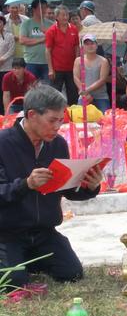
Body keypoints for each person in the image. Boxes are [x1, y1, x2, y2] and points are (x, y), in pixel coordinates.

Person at [0, 84, 103, 289]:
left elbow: (66, 189)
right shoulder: (3, 143)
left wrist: (90, 187)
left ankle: (26, 260)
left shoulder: (58, 145)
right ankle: (17, 261)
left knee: (72, 273)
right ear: (31, 115)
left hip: (44, 231)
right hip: (7, 231)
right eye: (52, 120)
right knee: (13, 283)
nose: (57, 127)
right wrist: (26, 184)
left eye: (61, 121)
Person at [45, 5, 79, 105]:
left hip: (71, 67)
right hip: (57, 68)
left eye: (67, 15)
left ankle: (73, 113)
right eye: (63, 15)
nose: (65, 17)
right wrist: (50, 69)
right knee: (55, 94)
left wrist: (77, 62)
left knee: (73, 93)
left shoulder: (74, 29)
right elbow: (47, 50)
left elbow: (77, 46)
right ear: (57, 17)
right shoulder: (51, 31)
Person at [73, 34, 110, 113]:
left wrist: (86, 90)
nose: (90, 46)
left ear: (96, 45)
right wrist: (84, 93)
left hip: (101, 96)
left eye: (92, 43)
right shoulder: (78, 60)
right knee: (79, 118)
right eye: (87, 44)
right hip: (84, 96)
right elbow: (76, 77)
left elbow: (102, 80)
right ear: (83, 47)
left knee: (105, 119)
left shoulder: (103, 61)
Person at [19, 0, 54, 82]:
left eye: (45, 7)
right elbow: (22, 40)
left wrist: (47, 33)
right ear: (34, 9)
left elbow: (55, 40)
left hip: (47, 63)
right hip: (31, 62)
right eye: (41, 8)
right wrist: (42, 39)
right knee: (31, 87)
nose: (44, 10)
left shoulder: (51, 24)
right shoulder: (26, 24)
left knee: (47, 89)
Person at [0, 16, 15, 114]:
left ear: (3, 24)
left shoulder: (9, 35)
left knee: (6, 91)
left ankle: (7, 112)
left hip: (7, 67)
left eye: (0, 23)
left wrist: (3, 59)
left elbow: (12, 50)